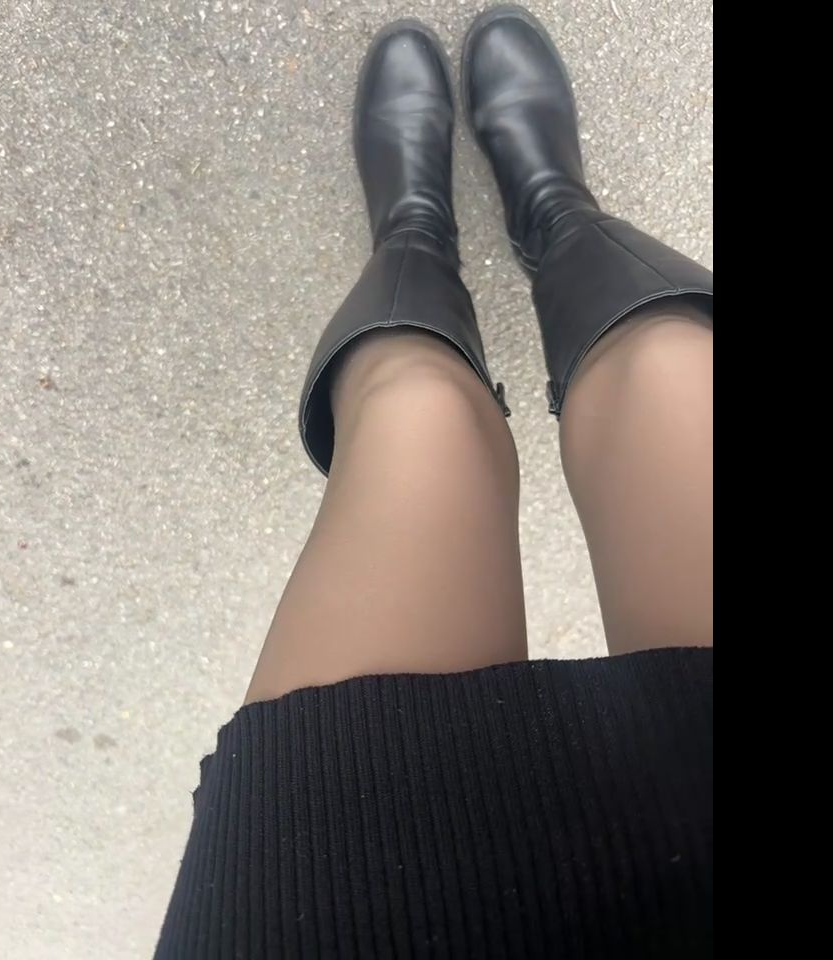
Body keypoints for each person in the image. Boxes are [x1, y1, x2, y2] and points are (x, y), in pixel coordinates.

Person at [155, 6, 712, 957]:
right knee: (670, 367)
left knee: (414, 409)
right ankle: (555, 212)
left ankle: (415, 234)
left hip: (357, 895)